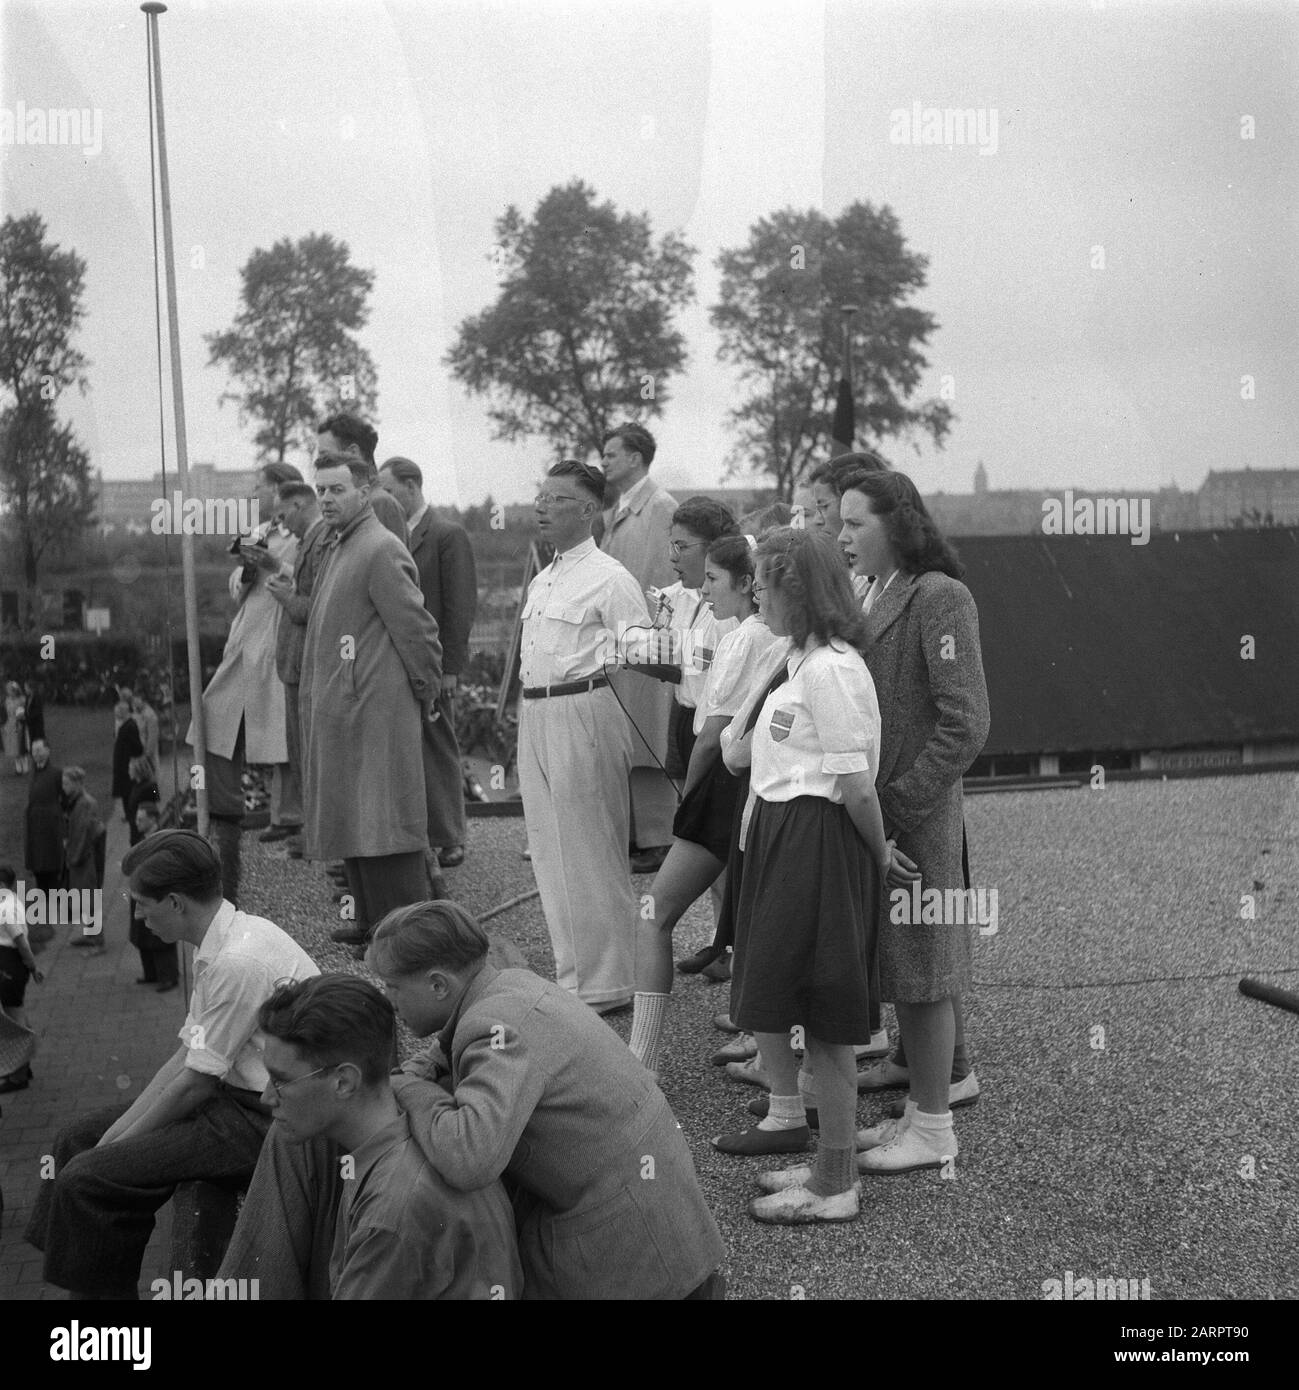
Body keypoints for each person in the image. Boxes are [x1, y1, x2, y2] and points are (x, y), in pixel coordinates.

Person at [25, 829, 318, 1299]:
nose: (137, 916)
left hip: (266, 1122)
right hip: (234, 1100)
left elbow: (195, 1086)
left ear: (177, 903)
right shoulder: (224, 941)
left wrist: (112, 1150)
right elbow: (187, 1055)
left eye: (141, 904)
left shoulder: (236, 962)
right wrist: (113, 1137)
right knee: (75, 1141)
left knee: (87, 1177)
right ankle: (80, 1272)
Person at [710, 527, 892, 1226]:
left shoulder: (830, 670)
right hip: (786, 840)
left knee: (825, 1021)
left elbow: (856, 786)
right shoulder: (795, 660)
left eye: (764, 582)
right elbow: (734, 755)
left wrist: (876, 859)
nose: (755, 593)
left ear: (798, 587)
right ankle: (828, 1165)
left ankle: (836, 1181)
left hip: (816, 842)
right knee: (807, 1016)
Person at [837, 470, 990, 1173]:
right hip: (885, 817)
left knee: (925, 973)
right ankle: (921, 1111)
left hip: (916, 818)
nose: (840, 537)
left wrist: (893, 809)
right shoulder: (875, 592)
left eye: (853, 523)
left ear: (896, 525)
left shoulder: (939, 596)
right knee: (904, 969)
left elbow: (965, 721)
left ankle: (934, 1129)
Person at [255, 973, 523, 1299]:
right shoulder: (416, 1124)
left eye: (280, 1081)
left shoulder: (390, 1215)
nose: (266, 1097)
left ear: (344, 1082)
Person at [629, 532, 781, 1074]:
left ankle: (640, 1061)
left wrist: (687, 803)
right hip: (757, 784)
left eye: (714, 579)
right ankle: (772, 1059)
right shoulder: (776, 637)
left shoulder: (746, 638)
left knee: (653, 915)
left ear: (748, 583)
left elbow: (713, 735)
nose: (706, 589)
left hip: (721, 783)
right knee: (755, 921)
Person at [518, 459, 651, 1012]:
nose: (542, 507)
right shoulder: (545, 576)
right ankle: (575, 976)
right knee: (551, 850)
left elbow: (643, 651)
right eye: (541, 496)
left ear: (589, 510)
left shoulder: (611, 577)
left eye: (557, 499)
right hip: (537, 714)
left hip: (585, 711)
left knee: (591, 849)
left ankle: (611, 982)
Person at [301, 451, 441, 947]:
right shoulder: (342, 544)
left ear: (364, 493)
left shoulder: (379, 547)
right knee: (355, 819)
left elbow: (416, 629)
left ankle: (405, 939)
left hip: (375, 709)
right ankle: (371, 925)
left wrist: (428, 690)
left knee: (386, 823)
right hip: (348, 708)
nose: (325, 498)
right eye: (320, 489)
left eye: (336, 489)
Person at [186, 463, 303, 894]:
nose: (256, 491)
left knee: (279, 732)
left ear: (278, 489)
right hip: (246, 634)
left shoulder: (299, 534)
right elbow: (237, 580)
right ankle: (228, 806)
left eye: (261, 485)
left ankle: (286, 816)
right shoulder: (259, 529)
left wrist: (271, 566)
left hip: (272, 635)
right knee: (216, 716)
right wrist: (247, 571)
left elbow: (299, 578)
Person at [379, 456, 478, 871]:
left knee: (439, 748)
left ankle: (450, 836)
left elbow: (460, 605)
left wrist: (451, 668)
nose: (382, 497)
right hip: (398, 663)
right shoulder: (391, 534)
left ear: (412, 486)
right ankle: (419, 836)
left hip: (434, 664)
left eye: (388, 488)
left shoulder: (445, 534)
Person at [598, 423, 679, 874]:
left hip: (648, 640)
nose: (605, 461)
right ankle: (637, 835)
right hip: (624, 641)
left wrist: (659, 638)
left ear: (635, 457)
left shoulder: (661, 508)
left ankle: (658, 837)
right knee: (629, 737)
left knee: (649, 736)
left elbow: (668, 578)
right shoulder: (620, 509)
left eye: (612, 454)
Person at [266, 480, 330, 864]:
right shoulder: (310, 539)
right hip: (296, 665)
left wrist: (287, 597)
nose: (281, 524)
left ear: (299, 503)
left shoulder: (319, 540)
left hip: (305, 664)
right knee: (300, 753)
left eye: (283, 513)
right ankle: (312, 832)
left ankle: (316, 837)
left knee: (307, 753)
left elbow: (319, 608)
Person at [317, 412, 409, 546]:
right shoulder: (356, 501)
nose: (319, 462)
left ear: (353, 452)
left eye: (325, 456)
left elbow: (387, 563)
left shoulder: (381, 504)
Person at [0, 864, 43, 1093]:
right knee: (17, 1016)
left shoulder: (5, 909)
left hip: (8, 966)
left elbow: (20, 941)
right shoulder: (12, 900)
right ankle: (24, 1067)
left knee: (13, 1021)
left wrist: (33, 966)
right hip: (12, 964)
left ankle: (18, 1076)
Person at [127, 801, 178, 993]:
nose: (136, 822)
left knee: (160, 936)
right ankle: (151, 973)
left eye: (141, 819)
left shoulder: (161, 841)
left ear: (153, 820)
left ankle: (168, 976)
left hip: (156, 894)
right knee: (142, 934)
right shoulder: (141, 837)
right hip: (140, 892)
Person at [62, 766, 105, 951]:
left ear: (78, 784)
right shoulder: (78, 802)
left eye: (66, 783)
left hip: (84, 858)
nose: (64, 787)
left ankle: (97, 939)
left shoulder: (84, 804)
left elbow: (83, 833)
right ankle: (90, 933)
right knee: (84, 897)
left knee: (88, 897)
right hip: (83, 856)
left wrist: (73, 857)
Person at [24, 738, 64, 902]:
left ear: (48, 751)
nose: (36, 754)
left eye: (39, 750)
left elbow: (64, 798)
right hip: (35, 824)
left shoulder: (56, 773)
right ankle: (42, 895)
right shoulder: (33, 773)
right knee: (38, 861)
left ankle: (53, 896)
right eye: (34, 751)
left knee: (51, 860)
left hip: (50, 825)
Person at [2, 680, 28, 775]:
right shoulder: (7, 700)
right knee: (13, 747)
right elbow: (5, 712)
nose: (8, 692)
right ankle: (18, 767)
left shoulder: (22, 700)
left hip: (19, 724)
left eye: (10, 690)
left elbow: (23, 713)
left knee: (21, 745)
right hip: (10, 724)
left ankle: (25, 765)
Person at [131, 691, 160, 766]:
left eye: (136, 701)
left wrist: (147, 754)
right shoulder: (134, 714)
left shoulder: (150, 715)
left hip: (146, 755)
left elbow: (152, 737)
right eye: (133, 702)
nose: (134, 704)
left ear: (143, 701)